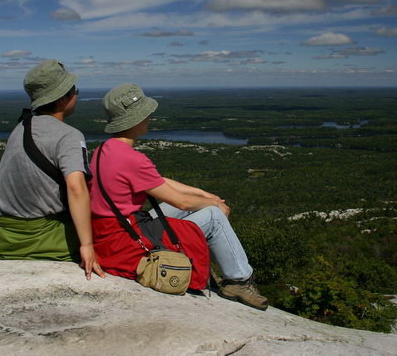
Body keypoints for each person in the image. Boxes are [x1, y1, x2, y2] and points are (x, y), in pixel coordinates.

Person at [88, 83, 267, 310]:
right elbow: (180, 201)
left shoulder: (105, 149)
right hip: (126, 242)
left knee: (193, 206)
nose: (150, 118)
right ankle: (240, 281)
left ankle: (207, 262)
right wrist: (213, 204)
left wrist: (202, 193)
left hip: (111, 233)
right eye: (146, 114)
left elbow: (159, 182)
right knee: (213, 216)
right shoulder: (132, 159)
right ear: (135, 119)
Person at [0, 60, 105, 281]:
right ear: (65, 98)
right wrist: (87, 244)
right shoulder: (69, 135)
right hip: (43, 239)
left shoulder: (21, 128)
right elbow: (76, 189)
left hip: (0, 237)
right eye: (75, 91)